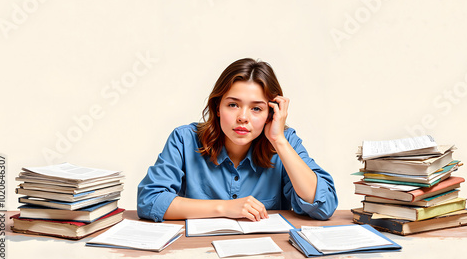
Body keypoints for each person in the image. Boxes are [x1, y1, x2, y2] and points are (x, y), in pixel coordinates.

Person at [137, 58, 338, 222]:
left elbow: (324, 204)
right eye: (233, 105)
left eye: (256, 108)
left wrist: (279, 140)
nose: (243, 117)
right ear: (217, 107)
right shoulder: (184, 139)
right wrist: (225, 207)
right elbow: (150, 200)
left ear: (271, 113)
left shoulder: (285, 143)